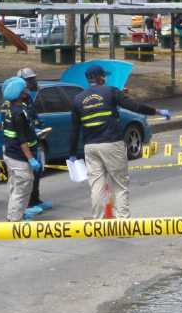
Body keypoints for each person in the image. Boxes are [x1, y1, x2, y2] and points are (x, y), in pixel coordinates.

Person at [68, 65, 172, 219]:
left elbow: (74, 129)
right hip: (111, 144)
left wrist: (72, 154)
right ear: (100, 77)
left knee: (96, 185)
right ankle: (122, 222)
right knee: (119, 184)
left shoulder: (77, 99)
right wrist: (157, 111)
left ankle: (99, 221)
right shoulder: (111, 91)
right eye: (104, 76)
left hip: (90, 147)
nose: (105, 78)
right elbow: (135, 106)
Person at [0, 77, 42, 222]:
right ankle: (14, 219)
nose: (27, 90)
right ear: (18, 93)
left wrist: (34, 133)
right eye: (24, 88)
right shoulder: (17, 113)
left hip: (12, 153)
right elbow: (21, 140)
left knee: (16, 186)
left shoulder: (15, 109)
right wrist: (31, 159)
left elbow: (23, 131)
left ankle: (18, 213)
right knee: (23, 185)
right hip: (18, 155)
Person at [16, 67, 52, 214]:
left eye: (32, 79)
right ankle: (28, 204)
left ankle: (36, 199)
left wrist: (40, 127)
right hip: (23, 145)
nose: (33, 82)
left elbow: (33, 116)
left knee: (37, 174)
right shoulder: (16, 101)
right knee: (27, 177)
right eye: (29, 80)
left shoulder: (29, 98)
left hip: (34, 141)